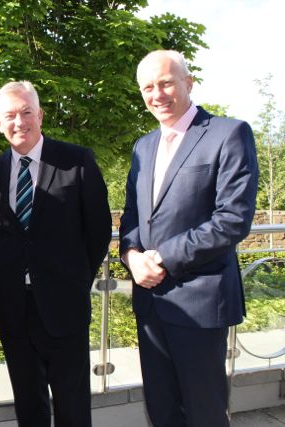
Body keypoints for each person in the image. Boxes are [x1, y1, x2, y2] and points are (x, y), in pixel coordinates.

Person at [119, 50, 259, 426]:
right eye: (148, 87)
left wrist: (160, 257)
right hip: (150, 301)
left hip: (200, 301)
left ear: (188, 83)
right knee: (162, 410)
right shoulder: (143, 146)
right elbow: (132, 216)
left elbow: (233, 219)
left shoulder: (229, 133)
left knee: (204, 412)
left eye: (165, 83)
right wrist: (132, 256)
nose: (157, 94)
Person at [0, 81, 112, 426]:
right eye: (9, 115)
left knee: (72, 407)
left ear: (40, 115)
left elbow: (97, 231)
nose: (19, 121)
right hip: (14, 308)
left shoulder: (76, 161)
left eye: (26, 112)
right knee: (29, 406)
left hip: (64, 305)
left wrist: (74, 279)